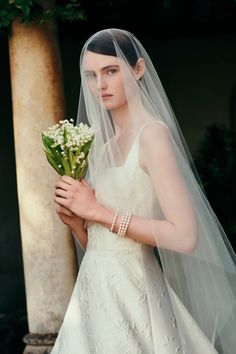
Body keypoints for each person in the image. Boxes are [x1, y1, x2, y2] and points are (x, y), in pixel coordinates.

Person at [51, 29, 236, 353]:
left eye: (111, 71)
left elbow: (184, 236)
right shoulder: (103, 149)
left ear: (138, 70)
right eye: (91, 75)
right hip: (95, 299)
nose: (100, 85)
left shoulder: (152, 136)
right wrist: (79, 223)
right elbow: (104, 247)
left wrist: (98, 211)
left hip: (137, 298)